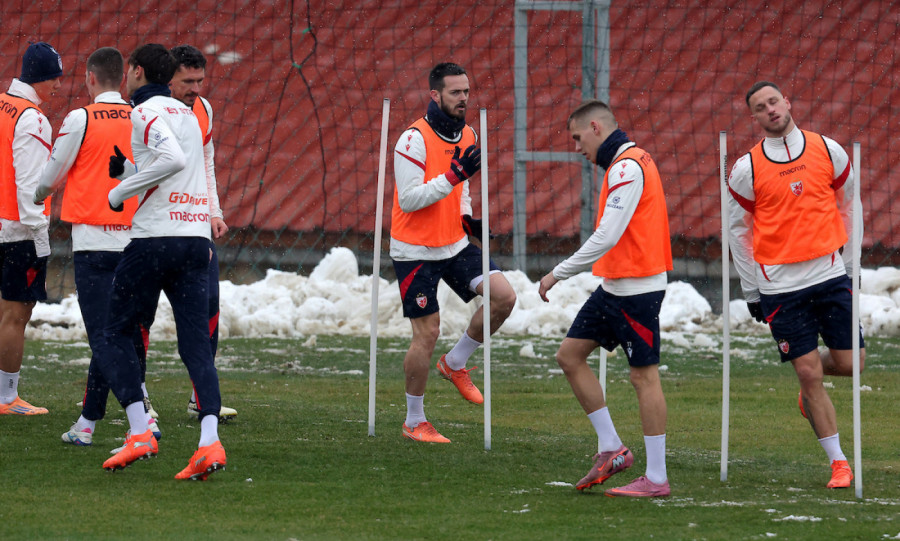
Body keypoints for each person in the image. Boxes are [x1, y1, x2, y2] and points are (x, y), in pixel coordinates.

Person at [95, 44, 225, 480]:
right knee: (196, 346)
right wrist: (128, 173)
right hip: (195, 241)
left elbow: (172, 160)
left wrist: (119, 192)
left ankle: (140, 431)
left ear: (135, 71)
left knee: (114, 333)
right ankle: (209, 442)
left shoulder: (144, 111)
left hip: (154, 240)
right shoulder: (189, 114)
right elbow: (175, 170)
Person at [727, 81, 863, 489]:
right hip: (780, 287)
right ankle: (839, 463)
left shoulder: (828, 149)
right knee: (808, 372)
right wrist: (751, 290)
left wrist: (850, 265)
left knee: (851, 364)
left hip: (830, 275)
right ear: (754, 117)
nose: (770, 109)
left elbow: (849, 205)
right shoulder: (746, 168)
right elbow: (738, 231)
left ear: (786, 102)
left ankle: (810, 382)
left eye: (774, 101)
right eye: (760, 107)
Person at [539, 99, 672, 498]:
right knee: (569, 356)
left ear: (596, 128)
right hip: (614, 287)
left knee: (643, 377)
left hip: (637, 290)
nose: (577, 147)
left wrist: (557, 273)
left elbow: (606, 236)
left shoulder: (628, 167)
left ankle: (657, 478)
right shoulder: (624, 163)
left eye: (578, 138)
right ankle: (612, 448)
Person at [33, 47, 157, 444]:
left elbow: (51, 176)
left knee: (105, 337)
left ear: (90, 78)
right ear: (122, 78)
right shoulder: (140, 116)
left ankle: (141, 419)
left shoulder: (80, 118)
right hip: (137, 238)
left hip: (94, 243)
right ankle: (87, 423)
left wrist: (37, 195)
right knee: (124, 333)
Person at [390, 62, 517, 443]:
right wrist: (452, 177)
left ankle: (455, 362)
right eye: (455, 92)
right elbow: (409, 199)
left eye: (466, 91)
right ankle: (414, 421)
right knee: (427, 333)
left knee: (504, 298)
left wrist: (466, 218)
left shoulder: (469, 133)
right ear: (435, 95)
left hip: (455, 243)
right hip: (415, 249)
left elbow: (461, 190)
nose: (464, 98)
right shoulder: (412, 139)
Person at [167, 44, 237, 421]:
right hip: (151, 231)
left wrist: (214, 212)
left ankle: (201, 397)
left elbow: (205, 164)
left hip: (194, 227)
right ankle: (136, 399)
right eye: (187, 81)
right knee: (133, 316)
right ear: (168, 78)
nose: (195, 88)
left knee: (208, 304)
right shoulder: (145, 111)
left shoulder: (204, 109)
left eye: (200, 81)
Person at [0, 42, 63, 416]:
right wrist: (40, 235)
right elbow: (30, 186)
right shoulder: (33, 118)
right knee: (16, 315)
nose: (58, 85)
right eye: (55, 77)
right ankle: (7, 398)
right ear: (41, 77)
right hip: (19, 232)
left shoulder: (2, 105)